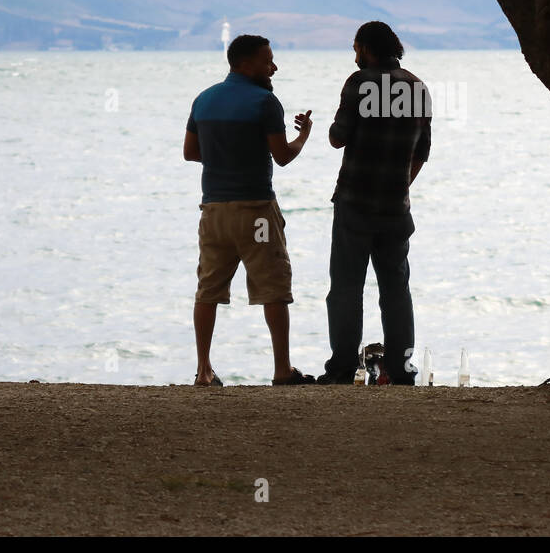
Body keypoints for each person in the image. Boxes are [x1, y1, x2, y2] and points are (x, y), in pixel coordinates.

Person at [184, 34, 315, 386]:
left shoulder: (203, 100)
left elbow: (191, 152)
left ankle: (204, 370)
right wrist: (304, 136)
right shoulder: (265, 102)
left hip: (214, 211)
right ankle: (282, 370)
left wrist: (225, 156)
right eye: (267, 61)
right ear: (244, 64)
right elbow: (283, 156)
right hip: (256, 211)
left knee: (208, 289)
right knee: (272, 285)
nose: (274, 67)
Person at [316, 22, 431, 385]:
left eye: (356, 49)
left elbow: (338, 138)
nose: (354, 57)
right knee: (396, 290)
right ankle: (402, 370)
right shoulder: (417, 87)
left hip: (354, 202)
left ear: (366, 48)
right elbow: (421, 153)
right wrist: (399, 186)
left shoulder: (359, 83)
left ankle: (341, 369)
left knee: (346, 288)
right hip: (396, 208)